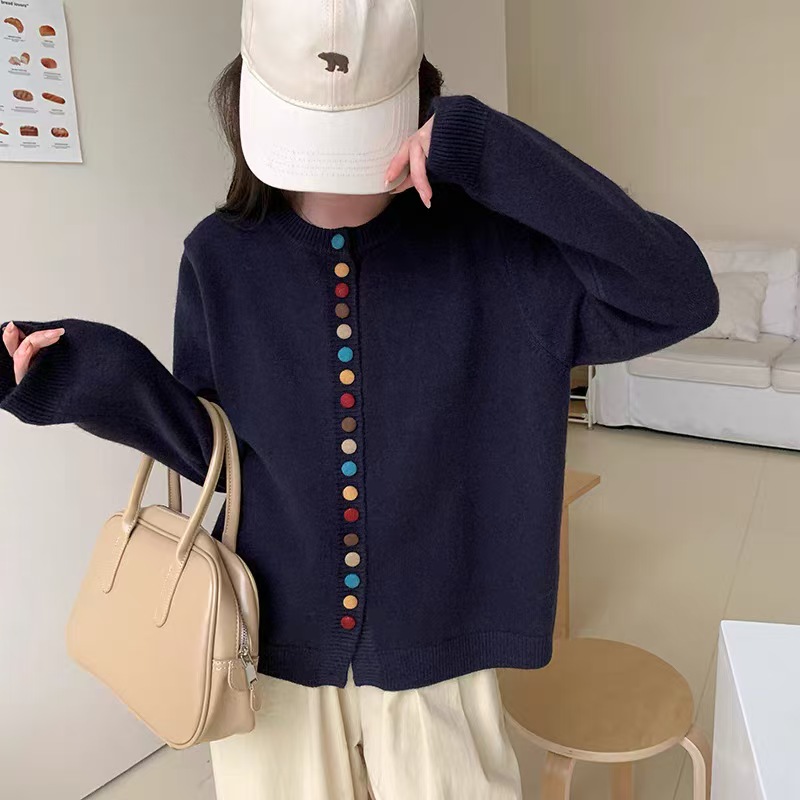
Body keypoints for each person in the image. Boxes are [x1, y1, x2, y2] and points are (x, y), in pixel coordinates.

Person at [0, 1, 719, 798]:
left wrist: (492, 151)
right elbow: (218, 455)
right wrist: (91, 378)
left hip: (440, 650)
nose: (332, 177)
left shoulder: (498, 251)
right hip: (269, 645)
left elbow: (678, 293)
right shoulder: (219, 256)